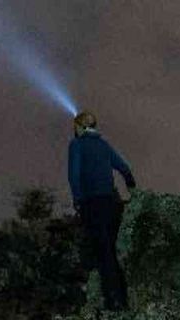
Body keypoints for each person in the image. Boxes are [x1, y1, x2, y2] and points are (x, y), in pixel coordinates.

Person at [67, 110, 136, 312]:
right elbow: (123, 167)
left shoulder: (76, 145)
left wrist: (78, 200)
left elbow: (74, 175)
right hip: (110, 203)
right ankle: (124, 298)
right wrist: (131, 186)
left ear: (80, 127)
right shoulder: (104, 145)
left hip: (92, 204)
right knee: (114, 251)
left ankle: (112, 302)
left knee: (101, 252)